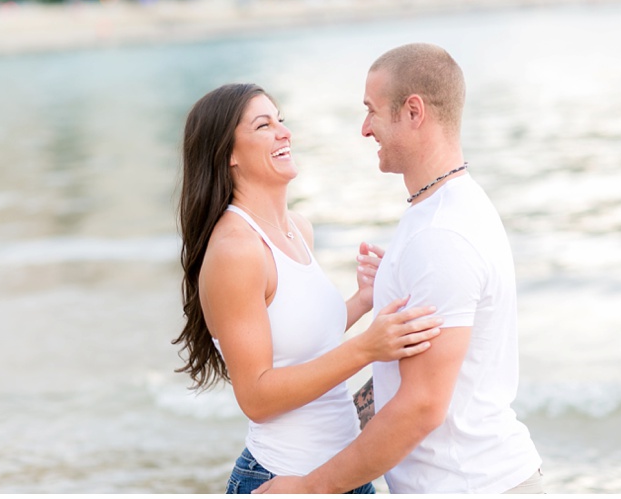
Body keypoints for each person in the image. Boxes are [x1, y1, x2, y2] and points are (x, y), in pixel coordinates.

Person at [255, 43, 544, 494]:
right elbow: (404, 380)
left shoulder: (441, 235)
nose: (365, 129)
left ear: (413, 112)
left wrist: (309, 488)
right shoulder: (438, 211)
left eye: (372, 111)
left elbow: (421, 407)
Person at [172, 83, 443, 494]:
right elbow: (257, 397)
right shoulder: (235, 250)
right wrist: (367, 348)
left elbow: (297, 340)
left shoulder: (298, 229)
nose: (284, 133)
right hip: (280, 479)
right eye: (264, 125)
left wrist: (363, 302)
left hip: (339, 476)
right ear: (227, 153)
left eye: (281, 121)